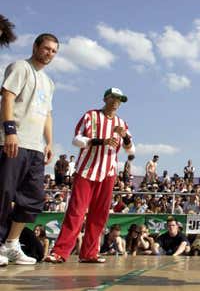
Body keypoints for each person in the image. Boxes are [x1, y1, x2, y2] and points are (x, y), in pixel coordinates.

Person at [45, 88, 135, 263]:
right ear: (105, 98)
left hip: (108, 173)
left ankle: (89, 253)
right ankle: (60, 252)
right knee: (76, 212)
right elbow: (76, 140)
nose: (116, 102)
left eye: (120, 100)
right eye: (113, 98)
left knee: (99, 215)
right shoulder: (90, 116)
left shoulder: (121, 123)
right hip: (86, 170)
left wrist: (125, 138)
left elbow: (130, 150)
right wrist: (99, 141)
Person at [0, 33, 58, 266]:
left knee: (33, 198)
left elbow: (47, 114)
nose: (49, 54)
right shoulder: (20, 67)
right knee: (3, 194)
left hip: (35, 147)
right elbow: (7, 97)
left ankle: (11, 243)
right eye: (46, 49)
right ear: (35, 47)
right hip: (14, 140)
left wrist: (49, 142)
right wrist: (10, 130)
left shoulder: (49, 82)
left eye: (54, 51)